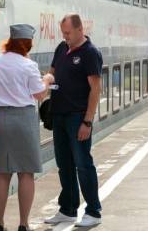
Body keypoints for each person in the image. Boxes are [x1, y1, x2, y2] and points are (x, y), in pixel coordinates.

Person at [0, 24, 53, 231]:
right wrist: (47, 79)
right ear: (28, 44)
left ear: (11, 41)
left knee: (3, 173)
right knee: (26, 172)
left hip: (0, 117)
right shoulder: (28, 65)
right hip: (23, 118)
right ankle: (23, 224)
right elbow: (39, 93)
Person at [44, 14, 102, 227]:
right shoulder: (61, 48)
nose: (65, 36)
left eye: (67, 33)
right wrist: (44, 84)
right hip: (59, 114)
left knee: (83, 164)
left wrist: (87, 121)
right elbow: (51, 74)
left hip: (77, 116)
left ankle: (94, 211)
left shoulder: (90, 53)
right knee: (64, 164)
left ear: (80, 29)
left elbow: (96, 89)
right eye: (63, 32)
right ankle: (68, 209)